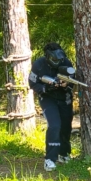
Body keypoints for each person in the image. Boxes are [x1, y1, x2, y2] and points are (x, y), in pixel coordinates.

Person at [28, 42, 74, 172]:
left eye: (59, 59)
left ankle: (63, 154)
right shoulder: (39, 65)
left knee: (66, 126)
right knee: (54, 125)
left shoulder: (66, 63)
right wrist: (46, 88)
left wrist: (66, 84)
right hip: (47, 99)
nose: (58, 61)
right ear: (48, 57)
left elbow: (73, 79)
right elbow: (32, 83)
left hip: (65, 98)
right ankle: (50, 159)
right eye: (54, 59)